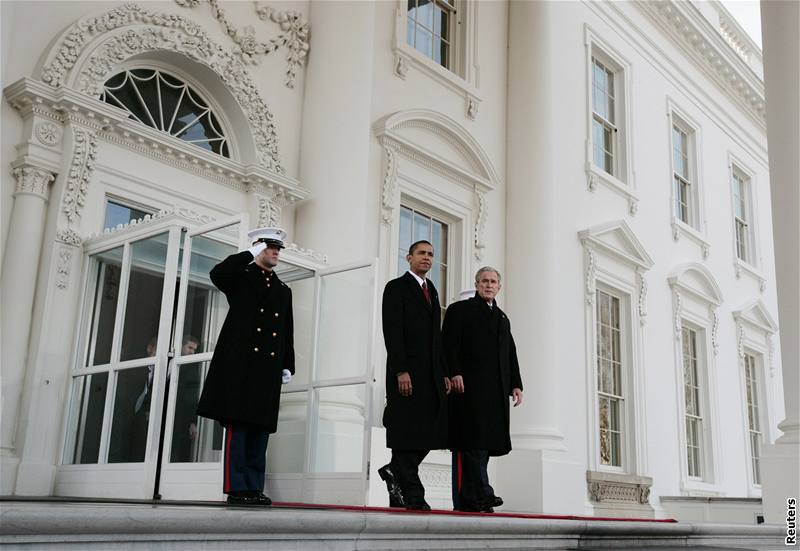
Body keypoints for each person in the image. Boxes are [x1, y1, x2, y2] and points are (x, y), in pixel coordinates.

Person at [196, 227, 294, 506]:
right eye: (270, 247)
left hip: (267, 368)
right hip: (241, 366)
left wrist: (288, 364)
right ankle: (237, 487)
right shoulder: (241, 277)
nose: (276, 252)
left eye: (278, 248)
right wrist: (248, 254)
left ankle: (254, 485)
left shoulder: (283, 289)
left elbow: (287, 329)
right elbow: (218, 274)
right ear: (257, 248)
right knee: (239, 429)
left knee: (260, 430)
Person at [443, 267, 523, 513]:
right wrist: (453, 371)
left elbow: (510, 353)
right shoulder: (460, 310)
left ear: (499, 286)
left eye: (493, 282)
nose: (489, 285)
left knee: (484, 446)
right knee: (472, 443)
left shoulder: (502, 318)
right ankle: (483, 493)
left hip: (495, 392)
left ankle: (474, 499)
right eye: (484, 281)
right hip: (469, 389)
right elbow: (448, 344)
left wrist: (516, 384)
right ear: (476, 284)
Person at [378, 240, 450, 511]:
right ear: (408, 258)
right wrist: (401, 370)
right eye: (421, 253)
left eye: (431, 255)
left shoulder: (431, 289)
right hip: (406, 374)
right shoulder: (396, 288)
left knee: (431, 431)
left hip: (431, 376)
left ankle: (394, 472)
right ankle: (412, 493)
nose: (427, 258)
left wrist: (442, 371)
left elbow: (436, 337)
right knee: (407, 432)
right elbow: (392, 332)